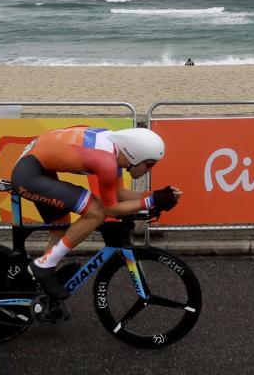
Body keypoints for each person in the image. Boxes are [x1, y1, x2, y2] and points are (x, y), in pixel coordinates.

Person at [10, 126, 181, 300]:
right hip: (29, 175)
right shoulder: (107, 161)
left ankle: (40, 285)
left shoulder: (115, 150)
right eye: (149, 164)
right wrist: (151, 201)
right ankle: (42, 266)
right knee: (97, 211)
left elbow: (119, 194)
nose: (150, 170)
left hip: (35, 167)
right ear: (134, 155)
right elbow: (110, 209)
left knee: (60, 227)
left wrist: (157, 196)